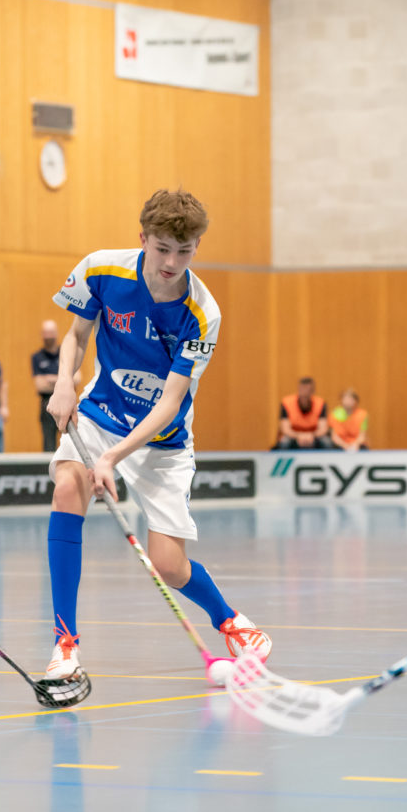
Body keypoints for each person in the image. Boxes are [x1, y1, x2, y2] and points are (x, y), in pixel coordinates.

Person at [43, 188, 272, 680]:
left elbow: (170, 403)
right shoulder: (102, 270)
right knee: (66, 489)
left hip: (162, 441)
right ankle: (65, 643)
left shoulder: (202, 313)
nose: (171, 262)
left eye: (183, 251)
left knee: (168, 565)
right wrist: (65, 381)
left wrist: (114, 458)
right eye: (162, 248)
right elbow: (77, 335)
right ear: (142, 237)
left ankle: (230, 620)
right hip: (102, 414)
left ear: (197, 247)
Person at [273, 377, 332, 450]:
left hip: (313, 435)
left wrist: (311, 435)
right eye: (302, 389)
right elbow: (285, 429)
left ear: (312, 391)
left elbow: (323, 428)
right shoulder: (287, 403)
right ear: (298, 389)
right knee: (284, 442)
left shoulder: (320, 403)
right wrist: (299, 436)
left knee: (327, 442)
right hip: (294, 435)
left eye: (307, 390)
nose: (304, 393)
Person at [31, 320, 63, 451]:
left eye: (51, 333)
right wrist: (63, 380)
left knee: (70, 441)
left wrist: (50, 379)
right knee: (49, 444)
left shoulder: (65, 353)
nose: (48, 336)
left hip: (65, 401)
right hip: (47, 403)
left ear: (56, 333)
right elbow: (40, 385)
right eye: (45, 333)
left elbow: (77, 378)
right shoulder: (37, 357)